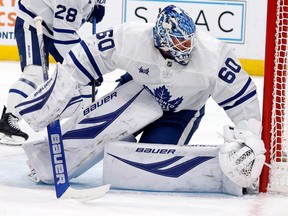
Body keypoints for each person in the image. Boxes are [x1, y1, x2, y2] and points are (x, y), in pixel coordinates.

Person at [16, 5, 265, 191]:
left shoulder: (213, 56)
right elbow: (87, 54)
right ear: (159, 40)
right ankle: (42, 164)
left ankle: (129, 144)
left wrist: (249, 136)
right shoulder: (132, 38)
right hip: (136, 92)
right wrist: (60, 90)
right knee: (96, 130)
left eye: (187, 41)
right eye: (177, 43)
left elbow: (243, 97)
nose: (185, 49)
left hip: (181, 112)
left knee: (146, 163)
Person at [0, 0, 106, 145]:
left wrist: (97, 5)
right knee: (35, 74)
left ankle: (88, 121)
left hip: (56, 26)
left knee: (82, 74)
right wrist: (86, 64)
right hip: (33, 20)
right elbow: (64, 36)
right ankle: (7, 121)